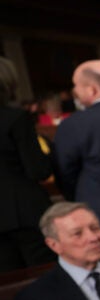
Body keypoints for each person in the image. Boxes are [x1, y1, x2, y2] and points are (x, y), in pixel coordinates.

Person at [55, 60, 100, 251]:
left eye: (76, 85)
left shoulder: (73, 125)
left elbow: (65, 174)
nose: (74, 91)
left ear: (92, 90)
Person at [1, 56, 55, 272]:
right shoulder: (16, 118)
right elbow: (38, 170)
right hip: (26, 213)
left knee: (8, 285)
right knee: (46, 275)